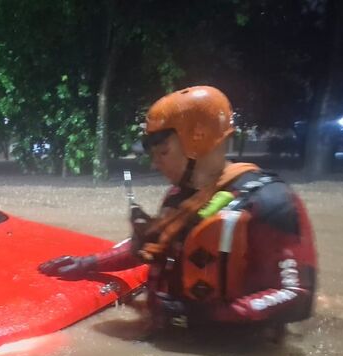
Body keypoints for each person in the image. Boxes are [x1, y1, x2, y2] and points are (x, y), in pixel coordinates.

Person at [39, 85, 317, 336]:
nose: (155, 164)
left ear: (199, 141)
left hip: (234, 350)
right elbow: (151, 248)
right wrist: (89, 264)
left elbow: (297, 296)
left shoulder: (271, 201)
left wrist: (205, 316)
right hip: (174, 333)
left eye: (163, 152)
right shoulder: (178, 196)